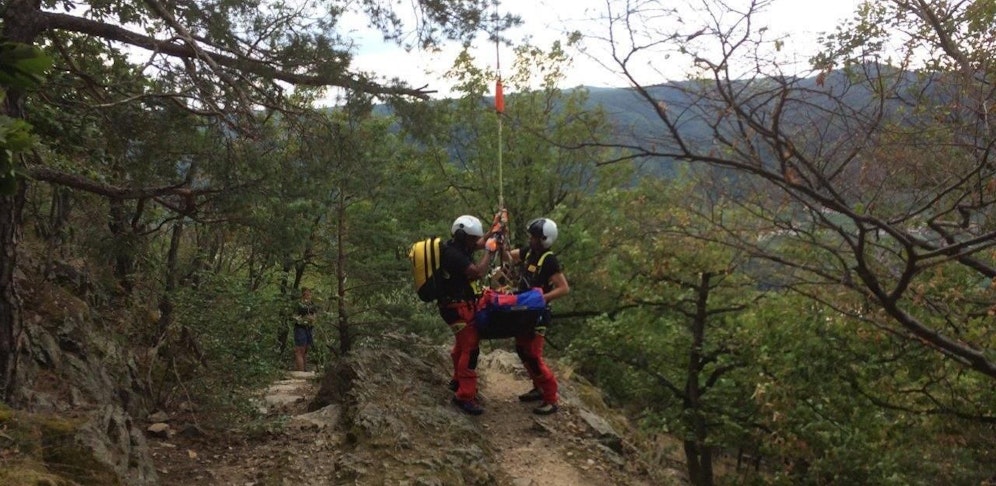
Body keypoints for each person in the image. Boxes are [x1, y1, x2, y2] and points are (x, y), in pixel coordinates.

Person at [438, 214, 500, 415]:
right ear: (463, 237)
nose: (476, 242)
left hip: (453, 306)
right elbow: (477, 272)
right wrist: (489, 252)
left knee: (461, 345)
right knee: (470, 349)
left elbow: (479, 243)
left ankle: (457, 380)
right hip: (457, 308)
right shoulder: (454, 256)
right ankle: (465, 395)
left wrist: (493, 231)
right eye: (473, 238)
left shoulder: (457, 247)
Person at [507, 217, 569, 415]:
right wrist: (497, 242)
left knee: (533, 355)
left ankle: (551, 398)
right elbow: (508, 256)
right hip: (523, 311)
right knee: (521, 349)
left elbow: (563, 288)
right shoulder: (529, 253)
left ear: (544, 239)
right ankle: (538, 387)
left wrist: (542, 298)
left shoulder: (549, 260)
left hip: (538, 314)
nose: (531, 239)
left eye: (534, 237)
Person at [293, 287, 318, 372]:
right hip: (300, 328)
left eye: (309, 294)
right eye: (305, 294)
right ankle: (300, 371)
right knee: (299, 350)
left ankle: (304, 370)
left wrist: (312, 318)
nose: (307, 296)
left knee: (306, 350)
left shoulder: (312, 304)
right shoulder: (298, 304)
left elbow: (315, 316)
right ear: (302, 295)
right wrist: (301, 319)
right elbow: (294, 315)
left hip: (309, 328)